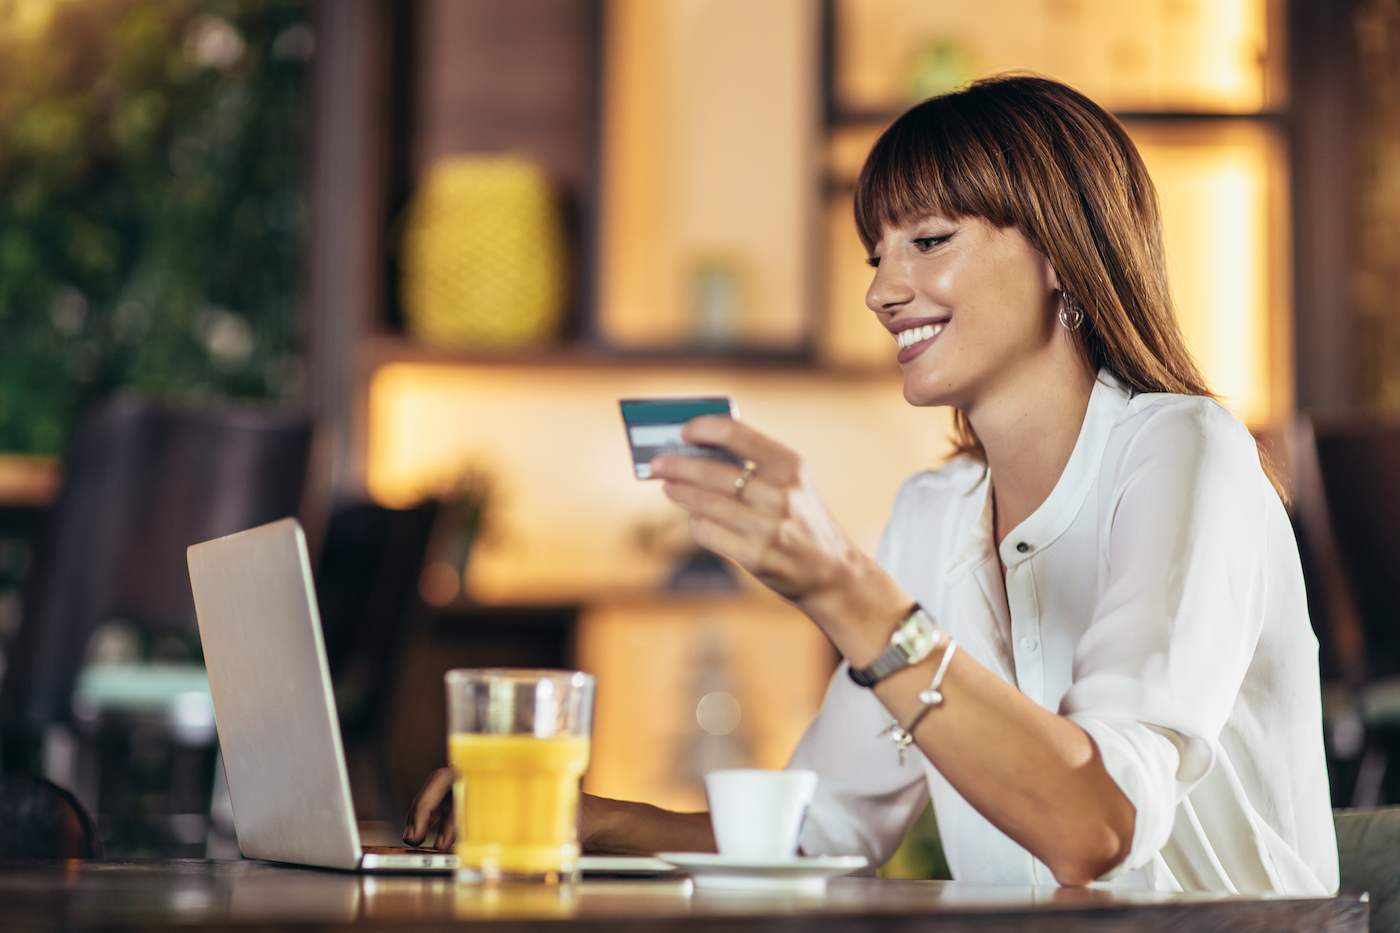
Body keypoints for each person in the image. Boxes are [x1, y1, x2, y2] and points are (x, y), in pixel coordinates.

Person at [406, 75, 1337, 893]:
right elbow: (823, 836)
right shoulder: (932, 514)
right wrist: (590, 817)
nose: (883, 290)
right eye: (876, 254)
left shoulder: (1185, 451)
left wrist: (844, 590)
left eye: (929, 240)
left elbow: (1096, 829)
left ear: (1061, 251)